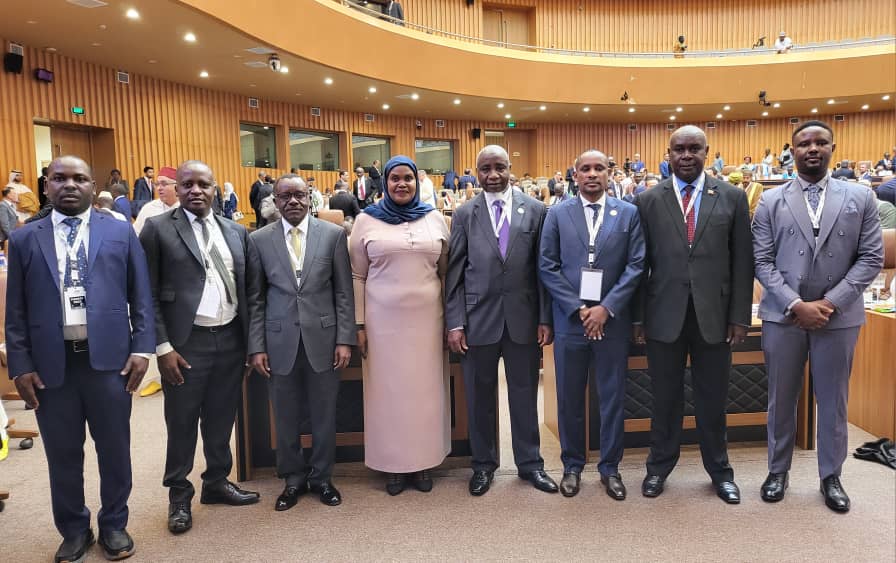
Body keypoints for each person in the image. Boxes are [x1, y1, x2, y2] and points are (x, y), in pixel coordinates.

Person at [5, 155, 154, 562]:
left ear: (93, 185)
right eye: (59, 178)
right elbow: (14, 312)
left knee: (114, 449)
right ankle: (73, 530)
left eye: (79, 178)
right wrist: (20, 365)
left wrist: (142, 348)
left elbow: (141, 297)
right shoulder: (23, 239)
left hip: (109, 362)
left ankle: (114, 526)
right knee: (63, 454)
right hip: (52, 368)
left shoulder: (120, 232)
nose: (69, 185)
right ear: (46, 185)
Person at [752, 121, 883, 512]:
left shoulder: (860, 197)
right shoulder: (771, 201)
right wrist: (796, 304)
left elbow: (871, 258)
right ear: (791, 151)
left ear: (832, 147)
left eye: (820, 142)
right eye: (804, 143)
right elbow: (761, 261)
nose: (812, 148)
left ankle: (831, 476)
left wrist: (829, 302)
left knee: (833, 400)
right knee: (780, 398)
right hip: (783, 315)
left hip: (837, 317)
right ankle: (778, 471)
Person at [633, 125, 753, 504]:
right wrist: (638, 318)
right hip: (663, 316)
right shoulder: (648, 200)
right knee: (664, 398)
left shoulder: (732, 197)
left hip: (715, 317)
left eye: (693, 149)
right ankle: (657, 469)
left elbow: (742, 262)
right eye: (678, 149)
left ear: (707, 152)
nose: (686, 156)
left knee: (713, 400)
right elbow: (640, 265)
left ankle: (720, 472)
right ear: (667, 154)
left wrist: (739, 317)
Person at [139, 160, 259, 536]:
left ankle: (216, 482)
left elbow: (252, 293)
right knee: (182, 422)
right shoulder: (157, 229)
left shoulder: (236, 232)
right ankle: (178, 496)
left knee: (222, 417)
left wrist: (250, 343)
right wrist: (163, 346)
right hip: (184, 342)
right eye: (187, 184)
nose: (195, 191)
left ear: (214, 190)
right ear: (177, 189)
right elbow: (147, 296)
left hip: (229, 337)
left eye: (203, 185)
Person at [445, 145, 557, 497]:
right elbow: (455, 273)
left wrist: (544, 316)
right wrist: (455, 321)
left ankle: (530, 465)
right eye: (484, 169)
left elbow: (544, 270)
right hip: (478, 318)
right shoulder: (465, 213)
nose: (492, 175)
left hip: (524, 318)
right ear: (475, 173)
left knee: (524, 395)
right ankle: (483, 465)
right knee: (479, 396)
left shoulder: (537, 210)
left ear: (511, 168)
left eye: (499, 168)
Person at [539, 149, 646, 499]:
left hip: (612, 322)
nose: (592, 174)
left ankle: (610, 468)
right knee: (570, 398)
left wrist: (606, 308)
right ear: (574, 174)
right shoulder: (557, 213)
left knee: (612, 397)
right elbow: (547, 266)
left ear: (610, 173)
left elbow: (636, 265)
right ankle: (572, 465)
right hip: (571, 322)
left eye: (599, 168)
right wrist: (578, 309)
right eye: (584, 168)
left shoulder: (628, 213)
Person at [247, 174, 355, 511]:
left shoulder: (334, 235)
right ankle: (292, 479)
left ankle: (322, 478)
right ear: (274, 202)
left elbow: (343, 293)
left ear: (310, 198)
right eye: (285, 196)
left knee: (324, 414)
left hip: (324, 339)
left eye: (299, 195)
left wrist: (344, 339)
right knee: (286, 416)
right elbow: (255, 298)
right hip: (278, 342)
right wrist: (256, 346)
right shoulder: (259, 240)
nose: (292, 201)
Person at [349, 155, 450, 495]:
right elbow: (357, 276)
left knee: (425, 393)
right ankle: (392, 465)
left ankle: (423, 463)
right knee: (387, 395)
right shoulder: (366, 220)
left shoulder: (435, 218)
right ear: (385, 183)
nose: (402, 184)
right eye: (395, 178)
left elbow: (446, 272)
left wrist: (451, 321)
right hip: (382, 325)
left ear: (417, 183)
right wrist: (359, 324)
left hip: (428, 323)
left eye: (408, 178)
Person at [133, 166, 179, 235]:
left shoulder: (187, 207)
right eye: (157, 184)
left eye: (164, 184)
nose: (159, 188)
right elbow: (136, 233)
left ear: (177, 187)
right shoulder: (149, 208)